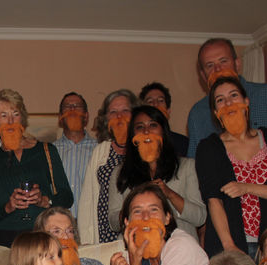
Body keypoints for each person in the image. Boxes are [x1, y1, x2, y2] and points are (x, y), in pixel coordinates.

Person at [195, 76, 267, 258]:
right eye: (220, 100)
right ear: (215, 111)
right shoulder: (208, 148)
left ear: (246, 101)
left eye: (233, 95)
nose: (228, 103)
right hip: (229, 246)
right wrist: (229, 246)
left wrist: (246, 188)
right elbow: (213, 200)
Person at [186, 38, 267, 182]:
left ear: (237, 64)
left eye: (223, 61)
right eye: (210, 65)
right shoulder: (197, 113)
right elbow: (194, 165)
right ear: (203, 75)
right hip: (223, 194)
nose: (218, 69)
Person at [0, 89, 73, 247]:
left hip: (43, 234)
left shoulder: (46, 151)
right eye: (4, 115)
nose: (11, 121)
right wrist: (8, 207)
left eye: (15, 114)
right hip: (7, 239)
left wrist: (45, 201)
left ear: (22, 118)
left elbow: (67, 197)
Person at [108, 105, 206, 239]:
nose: (146, 131)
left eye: (153, 125)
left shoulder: (187, 166)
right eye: (139, 127)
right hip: (137, 246)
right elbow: (113, 223)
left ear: (163, 131)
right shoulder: (120, 172)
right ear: (132, 135)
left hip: (179, 246)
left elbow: (200, 217)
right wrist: (136, 205)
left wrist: (169, 194)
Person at [78, 89, 139, 244]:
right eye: (113, 112)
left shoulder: (143, 148)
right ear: (106, 119)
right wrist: (86, 240)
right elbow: (87, 200)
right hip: (104, 232)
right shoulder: (101, 151)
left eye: (125, 110)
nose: (119, 116)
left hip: (137, 229)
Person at [52, 92, 98, 217]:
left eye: (77, 106)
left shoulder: (99, 150)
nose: (72, 109)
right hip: (59, 223)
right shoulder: (50, 151)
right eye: (67, 107)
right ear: (60, 117)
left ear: (86, 116)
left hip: (91, 222)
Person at [139, 82, 189, 157]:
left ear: (168, 110)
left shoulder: (183, 143)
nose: (155, 104)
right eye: (150, 101)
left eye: (160, 100)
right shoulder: (137, 143)